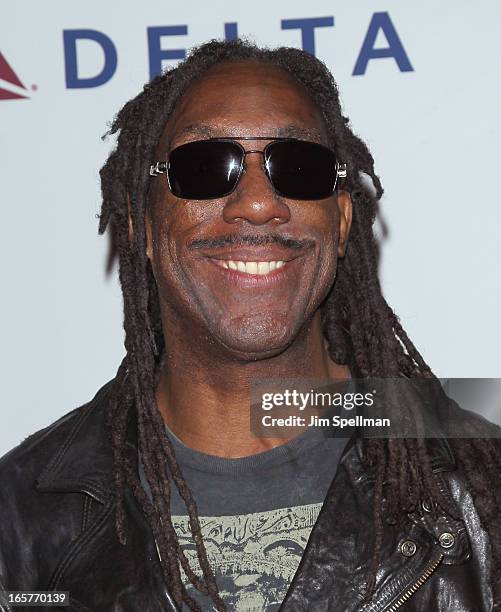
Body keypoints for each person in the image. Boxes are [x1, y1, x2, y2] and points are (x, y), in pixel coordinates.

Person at [0, 39, 500, 612]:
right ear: (138, 222)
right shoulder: (21, 519)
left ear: (339, 223)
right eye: (206, 167)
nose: (259, 205)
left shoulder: (479, 491)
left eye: (298, 168)